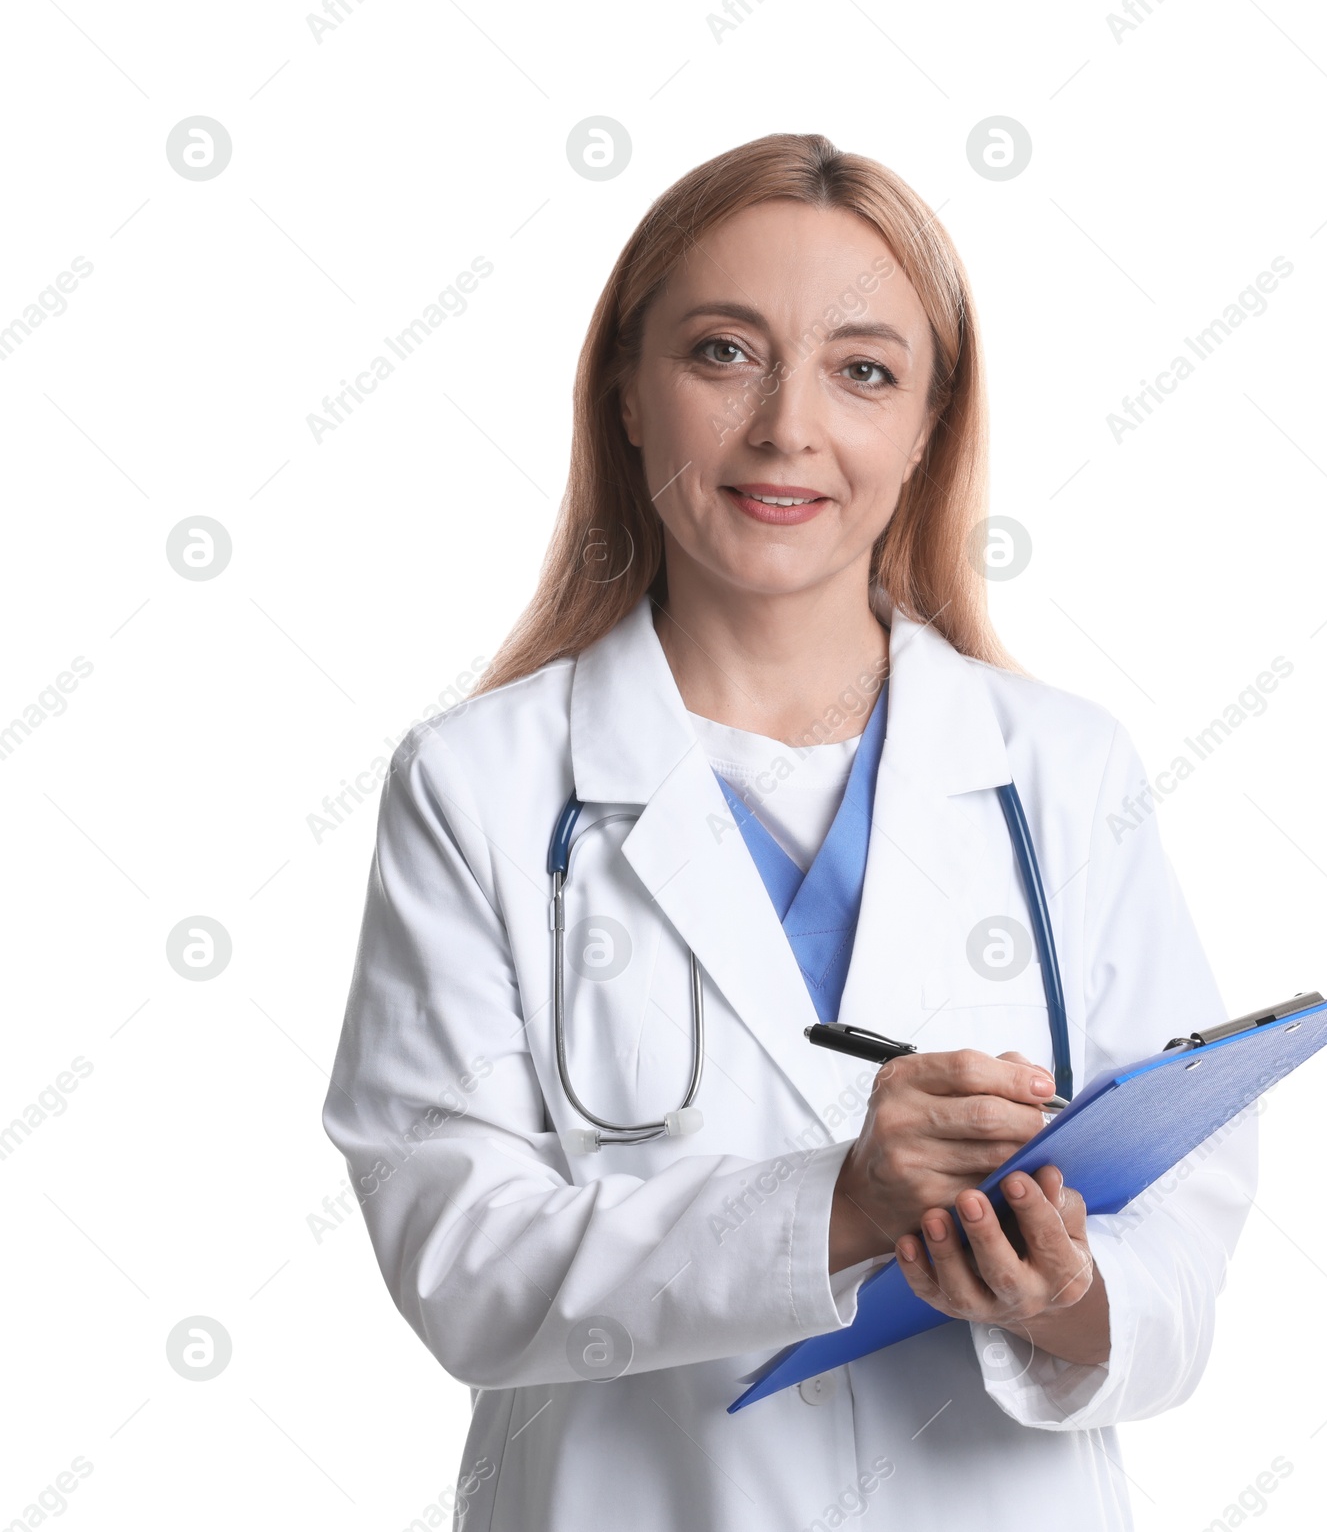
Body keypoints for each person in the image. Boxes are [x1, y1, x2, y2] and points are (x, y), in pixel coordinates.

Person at [321, 131, 1256, 1531]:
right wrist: (844, 1203)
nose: (787, 430)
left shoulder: (1058, 768)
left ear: (930, 424)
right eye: (723, 353)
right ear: (627, 395)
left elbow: (1186, 1238)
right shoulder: (482, 785)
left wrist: (1064, 1291)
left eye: (863, 371)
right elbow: (460, 1260)